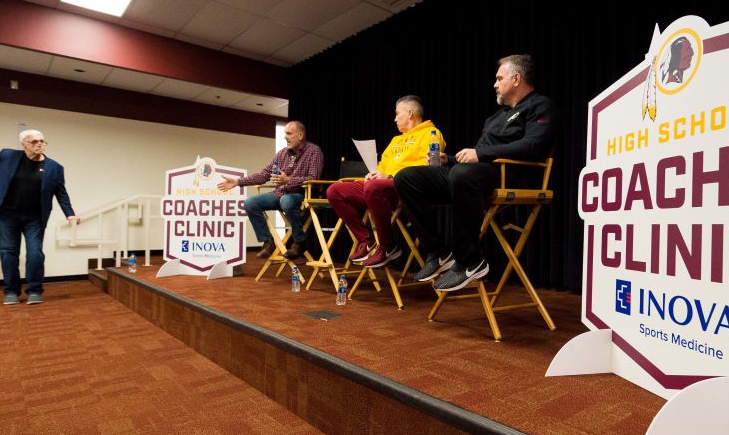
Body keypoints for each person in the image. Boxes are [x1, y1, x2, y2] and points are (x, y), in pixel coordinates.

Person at [394, 54, 555, 292]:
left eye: (500, 78)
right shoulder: (495, 117)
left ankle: (470, 260)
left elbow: (534, 146)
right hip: (478, 174)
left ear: (517, 78)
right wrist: (447, 159)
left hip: (511, 173)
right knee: (407, 178)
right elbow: (479, 153)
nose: (495, 84)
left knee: (463, 174)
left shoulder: (540, 105)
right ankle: (438, 252)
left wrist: (480, 155)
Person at [326, 96, 446, 268]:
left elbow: (428, 168)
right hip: (380, 188)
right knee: (335, 191)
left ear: (410, 113)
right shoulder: (395, 140)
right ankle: (366, 241)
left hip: (406, 188)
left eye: (397, 114)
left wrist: (390, 177)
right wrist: (374, 173)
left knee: (375, 186)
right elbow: (382, 166)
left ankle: (387, 246)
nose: (394, 118)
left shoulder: (431, 133)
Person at [0, 129, 79, 305]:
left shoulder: (54, 167)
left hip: (35, 218)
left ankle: (35, 290)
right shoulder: (8, 155)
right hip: (7, 215)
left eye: (42, 141)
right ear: (24, 144)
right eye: (34, 141)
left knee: (35, 254)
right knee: (8, 253)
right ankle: (11, 292)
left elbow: (61, 193)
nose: (40, 144)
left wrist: (70, 213)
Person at [219, 120, 323, 260]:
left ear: (300, 135)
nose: (285, 137)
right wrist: (238, 182)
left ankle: (299, 242)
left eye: (288, 133)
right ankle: (268, 242)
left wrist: (289, 180)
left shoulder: (313, 151)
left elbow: (314, 179)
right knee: (250, 203)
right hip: (280, 194)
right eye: (285, 134)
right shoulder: (282, 154)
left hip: (302, 194)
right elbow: (264, 175)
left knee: (286, 200)